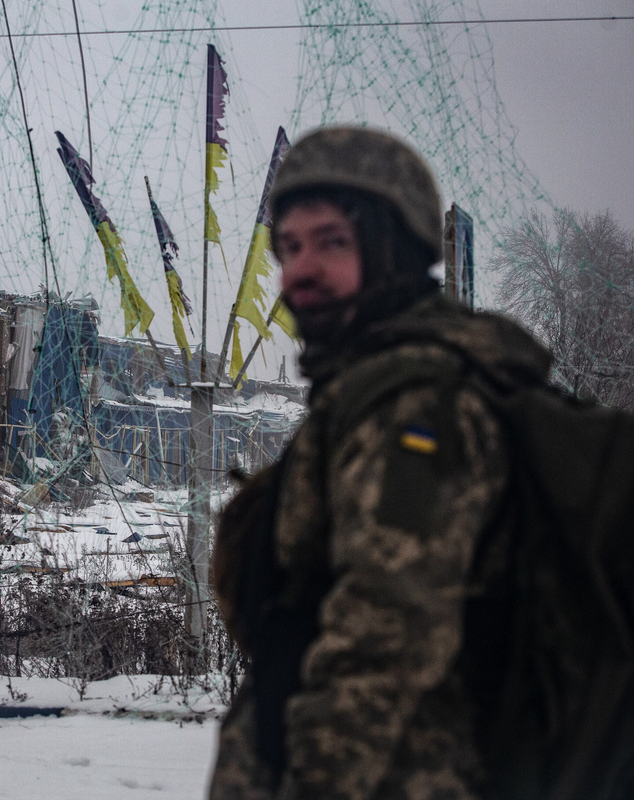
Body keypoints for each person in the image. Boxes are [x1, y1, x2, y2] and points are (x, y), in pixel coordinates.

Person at [207, 126, 554, 799]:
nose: (300, 268)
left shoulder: (416, 407)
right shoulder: (364, 394)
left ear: (393, 249)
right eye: (290, 245)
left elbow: (383, 642)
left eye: (333, 241)